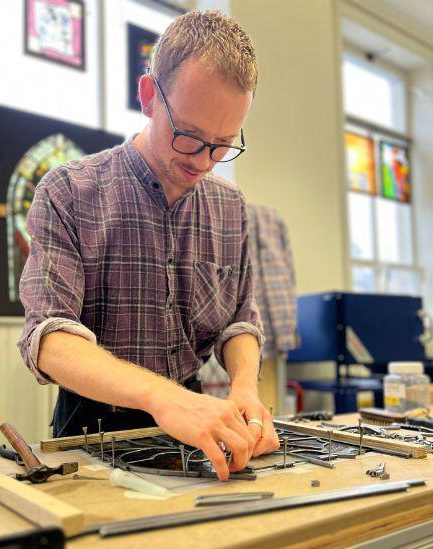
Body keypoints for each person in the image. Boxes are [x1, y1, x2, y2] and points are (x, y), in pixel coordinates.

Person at [16, 10, 280, 481]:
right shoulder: (68, 192)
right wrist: (164, 398)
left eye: (223, 144)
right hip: (89, 428)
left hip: (198, 422)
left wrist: (244, 389)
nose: (204, 161)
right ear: (148, 97)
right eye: (190, 137)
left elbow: (240, 320)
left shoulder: (231, 208)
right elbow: (49, 339)